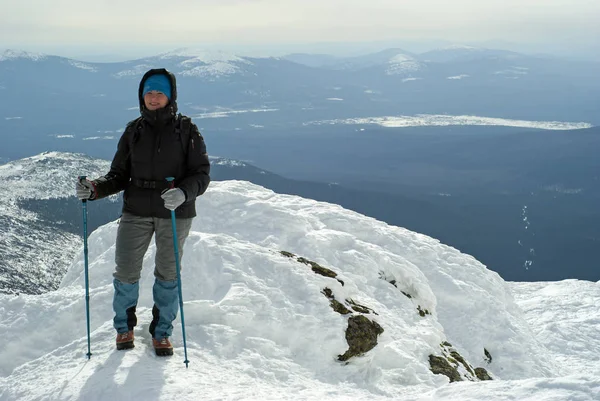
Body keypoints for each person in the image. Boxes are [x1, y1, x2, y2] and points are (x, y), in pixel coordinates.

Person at [75, 68, 210, 356]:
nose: (153, 97)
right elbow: (118, 174)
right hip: (136, 209)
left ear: (170, 96)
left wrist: (184, 192)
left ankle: (162, 333)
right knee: (125, 271)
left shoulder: (187, 130)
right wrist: (95, 189)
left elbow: (201, 174)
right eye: (149, 91)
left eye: (159, 92)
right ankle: (124, 328)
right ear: (141, 95)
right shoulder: (133, 130)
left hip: (175, 210)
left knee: (168, 273)